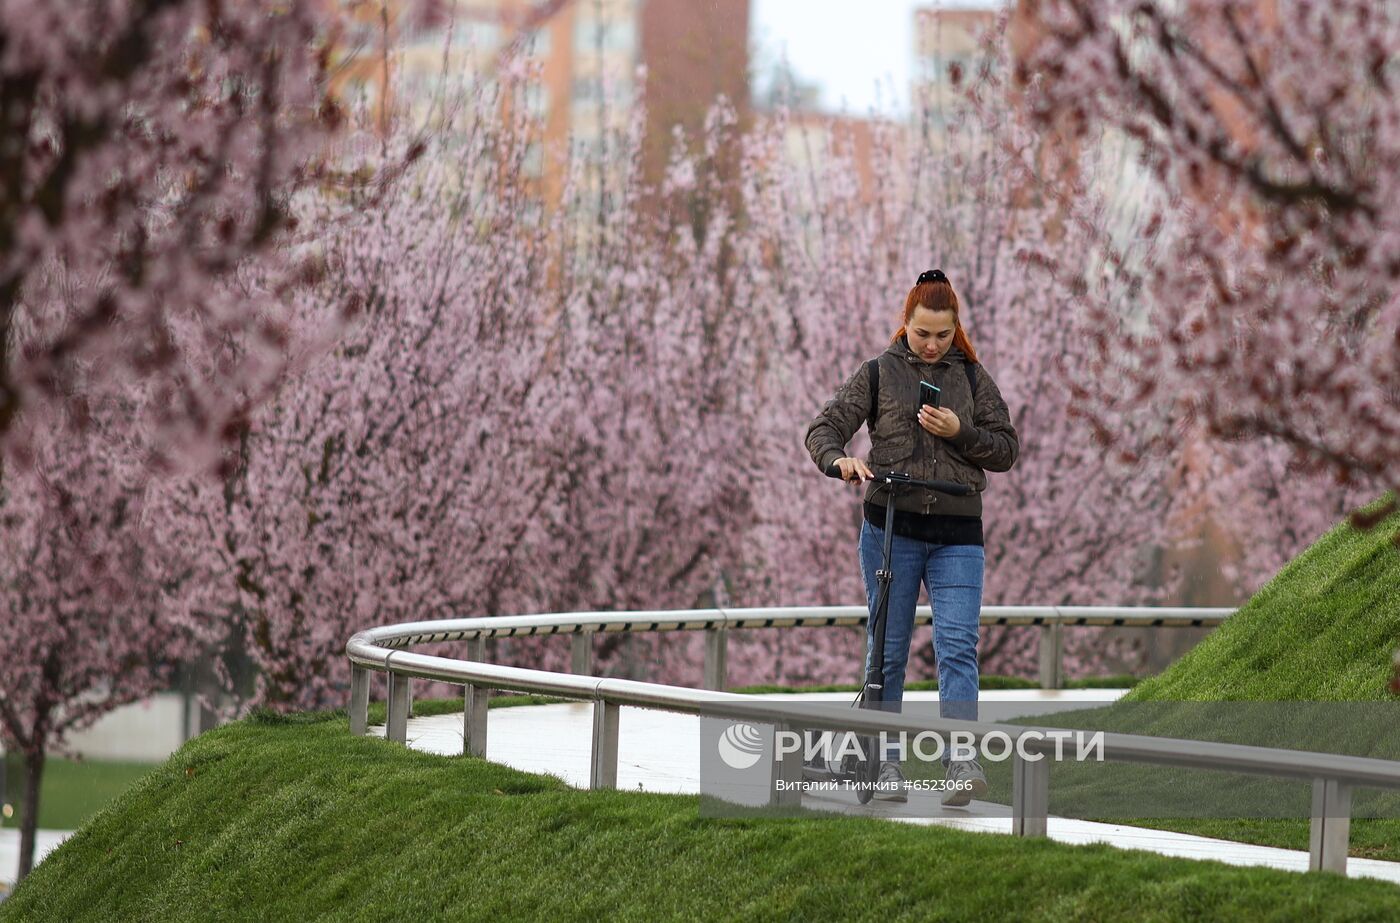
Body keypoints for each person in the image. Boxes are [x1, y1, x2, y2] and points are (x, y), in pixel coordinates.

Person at [804, 268, 1019, 806]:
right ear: (906, 323)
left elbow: (1006, 449)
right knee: (888, 652)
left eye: (942, 335)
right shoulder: (877, 373)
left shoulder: (973, 377)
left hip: (959, 535)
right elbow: (822, 428)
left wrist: (961, 432)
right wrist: (841, 462)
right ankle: (885, 765)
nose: (931, 344)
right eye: (922, 333)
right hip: (890, 530)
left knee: (957, 647)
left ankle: (961, 761)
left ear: (955, 329)